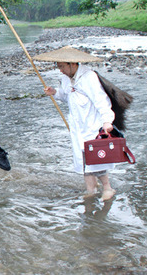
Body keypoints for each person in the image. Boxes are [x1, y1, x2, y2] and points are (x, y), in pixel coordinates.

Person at [35, 46, 117, 201]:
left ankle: (108, 188)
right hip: (78, 126)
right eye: (58, 67)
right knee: (84, 159)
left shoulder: (89, 77)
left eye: (61, 66)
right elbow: (68, 97)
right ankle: (91, 190)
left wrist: (107, 121)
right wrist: (55, 93)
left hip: (92, 125)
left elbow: (102, 101)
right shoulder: (66, 79)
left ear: (72, 64)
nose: (60, 70)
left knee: (96, 159)